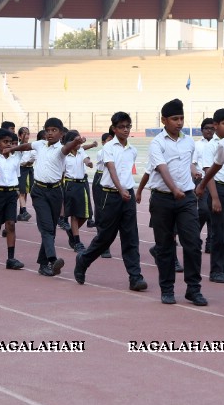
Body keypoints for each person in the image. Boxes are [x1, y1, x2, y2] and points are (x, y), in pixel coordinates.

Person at [74, 112, 148, 291]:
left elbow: (125, 172)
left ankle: (135, 277)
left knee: (130, 237)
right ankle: (83, 260)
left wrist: (129, 191)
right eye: (121, 127)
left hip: (127, 196)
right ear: (114, 129)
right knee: (105, 237)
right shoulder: (108, 148)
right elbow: (112, 170)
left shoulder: (132, 149)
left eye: (128, 126)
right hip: (110, 195)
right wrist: (120, 189)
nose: (125, 130)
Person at [145, 99, 207, 307]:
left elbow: (187, 164)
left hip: (187, 198)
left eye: (181, 118)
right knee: (165, 246)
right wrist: (174, 190)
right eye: (174, 119)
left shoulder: (189, 142)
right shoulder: (157, 143)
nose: (179, 123)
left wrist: (195, 174)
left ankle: (193, 289)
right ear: (164, 120)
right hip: (163, 198)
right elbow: (162, 168)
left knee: (193, 243)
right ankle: (167, 289)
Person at [9, 118, 79, 277]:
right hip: (39, 191)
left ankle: (42, 264)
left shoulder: (61, 149)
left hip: (55, 192)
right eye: (47, 130)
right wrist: (13, 149)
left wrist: (75, 142)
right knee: (47, 228)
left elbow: (67, 148)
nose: (50, 133)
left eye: (54, 130)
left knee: (51, 230)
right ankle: (52, 260)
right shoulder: (39, 144)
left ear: (61, 133)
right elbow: (27, 146)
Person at [0, 128, 25, 269]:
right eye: (4, 142)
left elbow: (24, 148)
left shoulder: (16, 156)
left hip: (11, 194)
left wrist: (22, 142)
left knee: (11, 224)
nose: (8, 144)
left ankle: (11, 258)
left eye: (10, 142)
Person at [201, 108, 224, 283]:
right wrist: (214, 197)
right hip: (218, 190)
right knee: (219, 233)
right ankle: (216, 270)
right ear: (216, 125)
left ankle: (223, 260)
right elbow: (209, 172)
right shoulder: (210, 146)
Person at [61, 130, 97, 253]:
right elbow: (61, 173)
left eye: (79, 140)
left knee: (85, 214)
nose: (79, 142)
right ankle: (77, 241)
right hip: (70, 185)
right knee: (75, 215)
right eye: (76, 140)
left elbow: (86, 159)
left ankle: (71, 232)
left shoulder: (81, 151)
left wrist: (89, 163)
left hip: (82, 185)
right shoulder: (64, 155)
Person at [192, 119, 217, 254]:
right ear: (201, 130)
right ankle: (195, 235)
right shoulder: (197, 145)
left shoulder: (219, 144)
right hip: (201, 181)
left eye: (211, 128)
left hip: (215, 181)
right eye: (206, 128)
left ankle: (210, 242)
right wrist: (195, 172)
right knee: (203, 210)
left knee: (214, 212)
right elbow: (192, 162)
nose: (209, 130)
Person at [16, 126, 34, 222]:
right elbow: (22, 146)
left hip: (29, 169)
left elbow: (34, 157)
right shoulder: (19, 145)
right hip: (21, 169)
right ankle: (24, 210)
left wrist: (30, 162)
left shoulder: (31, 146)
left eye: (27, 134)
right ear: (19, 135)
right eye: (24, 134)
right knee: (20, 192)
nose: (26, 136)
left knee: (25, 192)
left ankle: (21, 212)